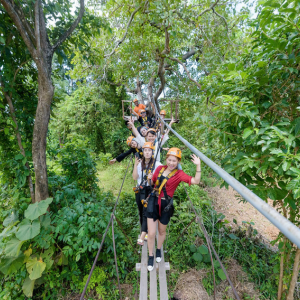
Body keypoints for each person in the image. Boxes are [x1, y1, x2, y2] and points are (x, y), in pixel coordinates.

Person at [146, 148, 201, 271]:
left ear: (178, 162)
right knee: (151, 233)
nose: (171, 163)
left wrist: (198, 166)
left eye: (174, 161)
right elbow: (153, 182)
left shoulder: (179, 174)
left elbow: (196, 181)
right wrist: (150, 178)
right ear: (166, 159)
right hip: (153, 201)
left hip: (165, 205)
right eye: (170, 160)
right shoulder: (159, 169)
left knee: (161, 231)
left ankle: (159, 249)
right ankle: (151, 255)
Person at [132, 142, 162, 246]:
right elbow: (135, 177)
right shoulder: (140, 164)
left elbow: (163, 176)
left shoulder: (157, 164)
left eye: (149, 150)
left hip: (150, 190)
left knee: (146, 211)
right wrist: (135, 166)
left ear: (152, 152)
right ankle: (144, 230)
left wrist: (154, 177)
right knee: (141, 211)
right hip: (140, 190)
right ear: (143, 152)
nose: (147, 152)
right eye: (145, 150)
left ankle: (143, 234)